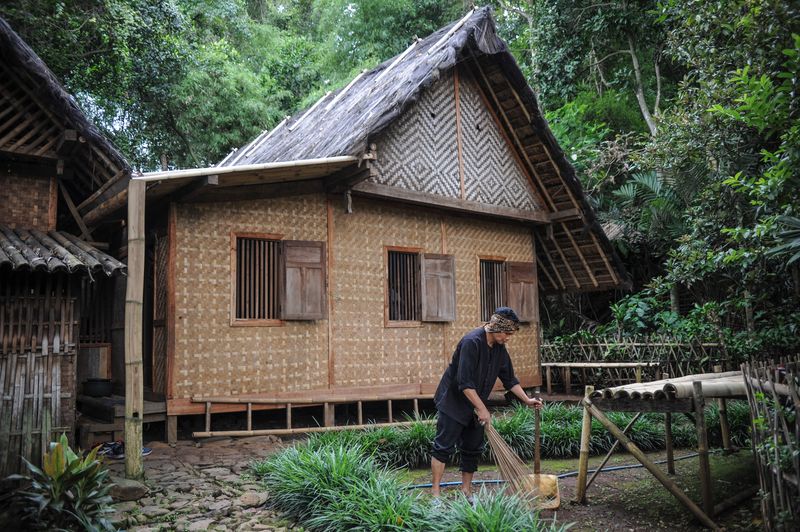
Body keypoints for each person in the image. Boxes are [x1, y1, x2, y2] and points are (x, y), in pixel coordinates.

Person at [430, 306, 542, 503]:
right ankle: (436, 494)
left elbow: (509, 379)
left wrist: (526, 399)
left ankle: (466, 492)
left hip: (476, 401)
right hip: (453, 401)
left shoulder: (500, 349)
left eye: (510, 334)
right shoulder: (471, 343)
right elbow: (464, 383)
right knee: (443, 447)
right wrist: (482, 409)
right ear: (496, 328)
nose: (508, 338)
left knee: (472, 448)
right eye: (507, 333)